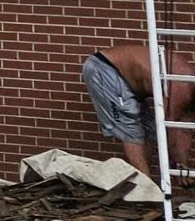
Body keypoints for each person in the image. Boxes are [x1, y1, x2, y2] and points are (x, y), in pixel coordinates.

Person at [80, 42, 193, 180]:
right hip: (105, 68)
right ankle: (144, 190)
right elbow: (168, 128)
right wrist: (175, 164)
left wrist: (183, 166)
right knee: (131, 129)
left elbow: (184, 130)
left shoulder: (190, 94)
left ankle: (147, 182)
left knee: (149, 130)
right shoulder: (181, 88)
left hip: (130, 81)